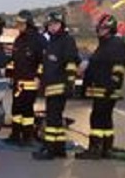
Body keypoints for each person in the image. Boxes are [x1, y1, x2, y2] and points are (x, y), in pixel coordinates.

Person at [76, 14, 125, 160]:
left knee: (97, 118)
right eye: (99, 28)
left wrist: (111, 85)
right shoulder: (105, 43)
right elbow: (99, 63)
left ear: (110, 29)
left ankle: (95, 149)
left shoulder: (116, 44)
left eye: (103, 28)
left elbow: (118, 67)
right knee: (105, 118)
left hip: (107, 89)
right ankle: (106, 148)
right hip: (102, 88)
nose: (100, 31)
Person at [33, 11, 80, 160]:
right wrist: (39, 78)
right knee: (56, 118)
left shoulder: (67, 41)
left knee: (52, 120)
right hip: (50, 86)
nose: (53, 27)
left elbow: (71, 64)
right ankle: (59, 148)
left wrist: (70, 84)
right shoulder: (51, 42)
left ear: (62, 24)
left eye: (56, 24)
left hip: (59, 87)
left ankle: (49, 150)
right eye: (50, 24)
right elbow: (45, 64)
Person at [6, 10, 45, 147]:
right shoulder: (18, 39)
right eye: (17, 23)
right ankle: (15, 135)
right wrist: (9, 75)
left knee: (27, 110)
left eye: (20, 23)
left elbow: (43, 61)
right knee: (16, 109)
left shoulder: (38, 40)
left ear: (27, 23)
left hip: (30, 81)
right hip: (18, 81)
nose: (18, 26)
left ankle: (27, 137)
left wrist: (39, 76)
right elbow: (13, 60)